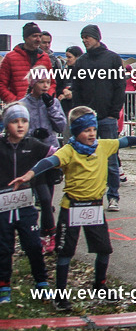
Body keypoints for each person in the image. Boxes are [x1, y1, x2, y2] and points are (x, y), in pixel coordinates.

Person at [9, 106, 136, 311]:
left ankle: (100, 286)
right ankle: (60, 295)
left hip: (94, 207)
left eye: (93, 130)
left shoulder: (103, 146)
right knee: (65, 252)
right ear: (76, 132)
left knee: (104, 249)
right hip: (72, 208)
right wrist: (30, 174)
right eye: (86, 130)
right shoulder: (69, 151)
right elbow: (49, 161)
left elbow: (123, 142)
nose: (91, 134)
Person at [70, 25, 127, 212]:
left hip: (107, 117)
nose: (85, 40)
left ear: (97, 38)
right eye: (82, 37)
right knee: (86, 157)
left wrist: (114, 111)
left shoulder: (112, 59)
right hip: (87, 118)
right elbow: (76, 89)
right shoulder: (81, 62)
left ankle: (113, 196)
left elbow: (120, 86)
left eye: (87, 37)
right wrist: (78, 112)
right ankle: (90, 194)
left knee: (110, 158)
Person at [0, 104, 51, 304]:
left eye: (24, 121)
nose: (20, 126)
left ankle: (41, 282)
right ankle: (4, 284)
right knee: (4, 247)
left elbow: (57, 155)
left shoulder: (34, 144)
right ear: (6, 124)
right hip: (2, 208)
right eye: (15, 121)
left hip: (26, 206)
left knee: (33, 245)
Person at [20, 67, 67, 253]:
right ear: (32, 83)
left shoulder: (52, 102)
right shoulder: (23, 104)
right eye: (41, 82)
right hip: (31, 155)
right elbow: (18, 129)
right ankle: (45, 232)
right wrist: (32, 134)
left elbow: (61, 125)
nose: (45, 86)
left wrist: (51, 107)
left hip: (50, 152)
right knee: (44, 199)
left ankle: (48, 233)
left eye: (48, 82)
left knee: (48, 197)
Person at [0, 22, 54, 104]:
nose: (38, 39)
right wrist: (15, 102)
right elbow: (2, 85)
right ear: (25, 38)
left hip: (40, 107)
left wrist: (47, 99)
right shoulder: (10, 57)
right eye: (34, 36)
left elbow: (52, 83)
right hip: (19, 108)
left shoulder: (45, 57)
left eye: (39, 36)